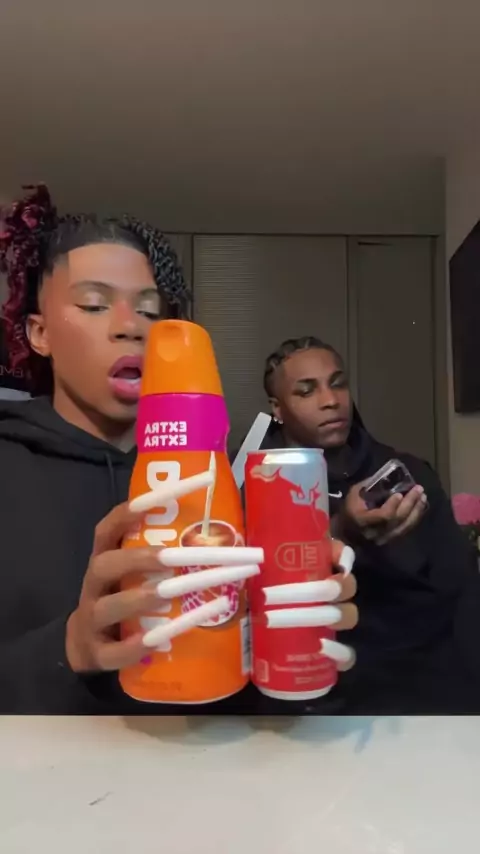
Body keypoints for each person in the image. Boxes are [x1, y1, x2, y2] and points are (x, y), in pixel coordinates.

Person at [0, 186, 356, 714]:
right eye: (94, 304)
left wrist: (293, 640)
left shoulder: (219, 484)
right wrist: (69, 649)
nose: (131, 327)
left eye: (150, 310)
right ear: (39, 332)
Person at [261, 335, 480, 713]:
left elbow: (460, 587)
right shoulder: (254, 481)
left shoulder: (410, 472)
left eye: (338, 383)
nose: (330, 400)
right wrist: (342, 531)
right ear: (277, 408)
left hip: (420, 683)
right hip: (306, 685)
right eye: (306, 391)